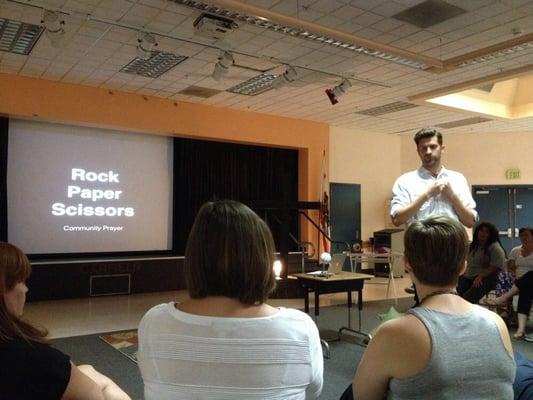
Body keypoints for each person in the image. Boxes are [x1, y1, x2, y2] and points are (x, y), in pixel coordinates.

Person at [138, 200, 323, 400]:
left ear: (194, 257)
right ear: (262, 258)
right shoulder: (299, 328)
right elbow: (313, 392)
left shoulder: (155, 323)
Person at [352, 216, 515, 400]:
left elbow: (361, 396)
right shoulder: (497, 323)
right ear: (463, 266)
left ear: (407, 263)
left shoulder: (394, 332)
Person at [0, 242, 131, 400]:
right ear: (3, 290)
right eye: (21, 281)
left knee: (87, 369)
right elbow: (93, 396)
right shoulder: (36, 360)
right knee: (103, 385)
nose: (26, 289)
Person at [390, 127, 478, 297]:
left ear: (442, 148)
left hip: (451, 246)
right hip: (421, 247)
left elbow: (470, 221)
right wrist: (426, 195)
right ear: (417, 150)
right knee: (424, 299)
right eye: (423, 148)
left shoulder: (458, 179)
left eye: (432, 146)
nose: (428, 151)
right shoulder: (406, 181)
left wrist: (452, 196)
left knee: (451, 296)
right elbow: (397, 219)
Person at [457, 222, 506, 304]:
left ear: (491, 235)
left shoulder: (495, 247)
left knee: (467, 298)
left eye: (487, 232)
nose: (483, 233)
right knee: (455, 294)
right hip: (469, 276)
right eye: (481, 231)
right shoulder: (473, 245)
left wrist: (481, 276)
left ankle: (466, 311)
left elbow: (496, 266)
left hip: (488, 277)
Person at [494, 228, 533, 318]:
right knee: (503, 275)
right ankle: (503, 310)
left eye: (526, 235)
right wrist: (514, 273)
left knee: (527, 280)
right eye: (521, 235)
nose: (524, 237)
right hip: (516, 277)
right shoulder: (516, 250)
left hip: (530, 280)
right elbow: (510, 267)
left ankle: (514, 313)